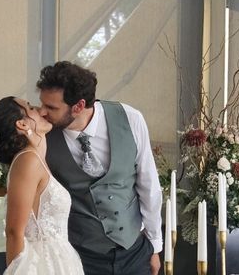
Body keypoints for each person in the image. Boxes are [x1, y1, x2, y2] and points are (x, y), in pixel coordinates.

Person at [37, 61, 162, 275]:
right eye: (42, 104)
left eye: (51, 107)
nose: (42, 112)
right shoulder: (42, 138)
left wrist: (155, 246)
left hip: (134, 251)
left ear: (78, 106)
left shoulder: (130, 119)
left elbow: (148, 184)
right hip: (78, 256)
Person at [0, 96, 85, 275]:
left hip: (60, 263)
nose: (40, 110)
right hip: (40, 266)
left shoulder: (36, 159)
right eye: (31, 108)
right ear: (22, 125)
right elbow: (14, 231)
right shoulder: (27, 160)